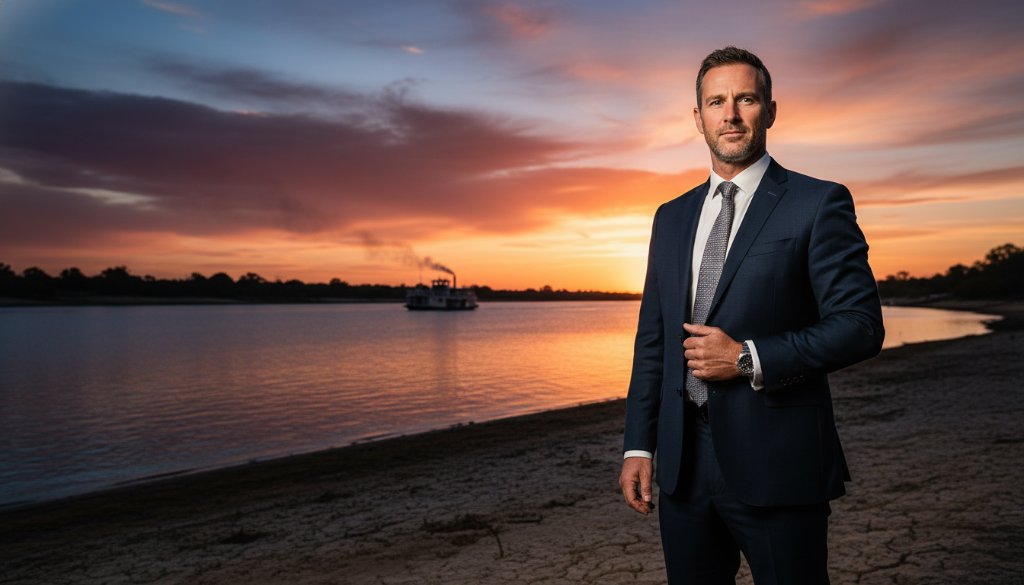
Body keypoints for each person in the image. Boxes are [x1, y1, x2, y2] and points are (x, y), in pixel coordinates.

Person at [618, 46, 884, 584]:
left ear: (770, 110)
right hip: (683, 468)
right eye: (717, 101)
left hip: (780, 462)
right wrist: (639, 444)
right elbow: (654, 342)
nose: (731, 114)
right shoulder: (670, 218)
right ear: (698, 117)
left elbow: (859, 325)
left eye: (746, 99)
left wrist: (745, 358)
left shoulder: (818, 202)